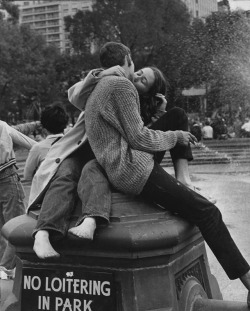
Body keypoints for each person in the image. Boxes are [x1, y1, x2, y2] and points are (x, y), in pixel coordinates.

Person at [81, 42, 250, 305]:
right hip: (133, 169)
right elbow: (137, 137)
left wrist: (161, 116)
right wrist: (176, 136)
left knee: (202, 210)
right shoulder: (121, 85)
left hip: (123, 166)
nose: (135, 71)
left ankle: (184, 180)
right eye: (135, 65)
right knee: (207, 212)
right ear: (127, 58)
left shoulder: (99, 86)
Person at [28, 68, 201, 259]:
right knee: (66, 173)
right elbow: (75, 94)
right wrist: (104, 73)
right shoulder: (109, 84)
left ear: (149, 92)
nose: (138, 76)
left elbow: (141, 138)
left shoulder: (136, 104)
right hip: (84, 149)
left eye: (144, 81)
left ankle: (183, 180)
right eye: (140, 72)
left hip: (110, 157)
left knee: (91, 170)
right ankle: (42, 234)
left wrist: (159, 112)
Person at [0, 120, 37, 279]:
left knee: (3, 229)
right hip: (6, 176)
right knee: (17, 227)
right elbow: (31, 144)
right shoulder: (1, 126)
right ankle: (5, 267)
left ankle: (4, 267)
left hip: (6, 175)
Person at [24, 103, 69, 181]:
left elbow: (27, 176)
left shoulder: (38, 148)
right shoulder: (72, 144)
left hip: (46, 190)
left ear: (43, 128)